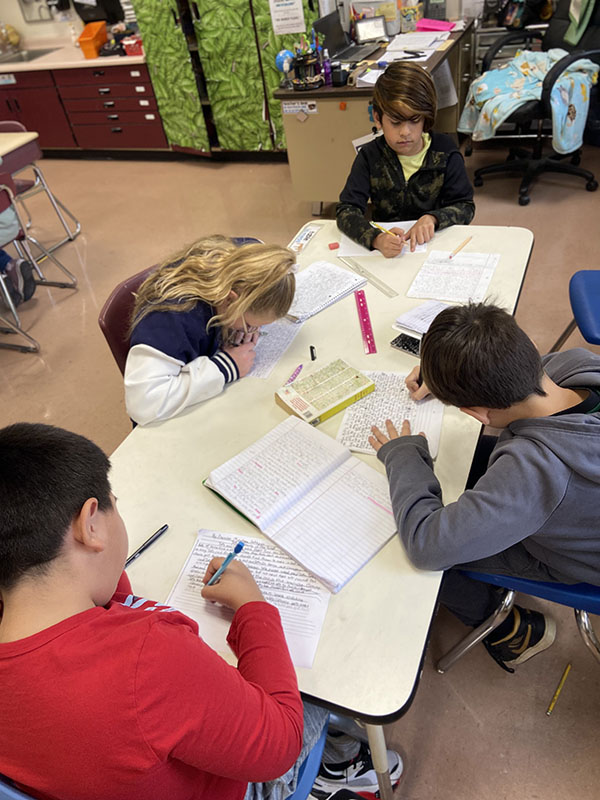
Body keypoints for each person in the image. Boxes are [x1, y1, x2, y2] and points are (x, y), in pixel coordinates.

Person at [0, 423, 402, 800]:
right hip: (232, 785)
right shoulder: (147, 658)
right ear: (91, 525)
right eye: (114, 505)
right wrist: (253, 607)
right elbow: (280, 743)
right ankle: (340, 767)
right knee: (321, 684)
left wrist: (98, 585)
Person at [368, 302, 600, 672]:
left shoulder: (533, 473)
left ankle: (509, 629)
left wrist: (403, 455)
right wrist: (445, 375)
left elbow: (428, 546)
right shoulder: (574, 365)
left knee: (407, 555)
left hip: (575, 558)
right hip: (582, 506)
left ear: (477, 413)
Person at [124, 235, 297, 426]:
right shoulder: (172, 318)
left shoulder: (248, 257)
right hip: (167, 422)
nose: (255, 332)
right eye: (250, 325)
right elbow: (143, 404)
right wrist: (225, 367)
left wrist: (238, 325)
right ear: (230, 300)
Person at [336, 62, 475, 258]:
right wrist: (376, 238)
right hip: (387, 253)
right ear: (378, 118)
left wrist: (433, 218)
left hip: (434, 250)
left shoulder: (446, 154)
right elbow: (346, 211)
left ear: (426, 118)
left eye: (414, 120)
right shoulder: (369, 157)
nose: (405, 132)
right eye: (395, 122)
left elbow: (465, 206)